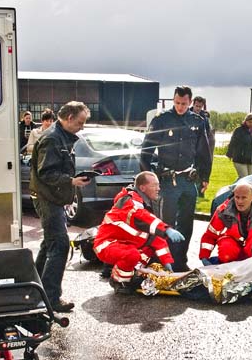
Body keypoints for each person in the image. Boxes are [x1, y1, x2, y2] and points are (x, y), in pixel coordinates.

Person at [140, 85, 212, 272]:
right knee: (167, 224)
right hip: (167, 180)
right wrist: (148, 177)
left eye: (184, 103)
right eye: (178, 103)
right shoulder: (162, 120)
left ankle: (181, 260)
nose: (180, 107)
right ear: (173, 100)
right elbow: (146, 150)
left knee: (187, 224)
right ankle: (166, 260)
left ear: (190, 102)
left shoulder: (197, 121)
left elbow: (204, 150)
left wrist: (205, 177)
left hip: (188, 181)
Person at [29, 101, 92, 312]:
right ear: (70, 118)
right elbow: (46, 173)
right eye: (81, 122)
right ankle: (51, 298)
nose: (82, 127)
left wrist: (71, 180)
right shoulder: (53, 138)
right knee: (60, 245)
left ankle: (33, 288)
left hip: (51, 197)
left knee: (49, 244)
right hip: (48, 199)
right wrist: (71, 181)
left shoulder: (60, 136)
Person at [94, 172, 186, 291]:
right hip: (106, 244)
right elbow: (142, 217)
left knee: (147, 250)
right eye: (154, 185)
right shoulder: (130, 203)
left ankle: (133, 273)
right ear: (143, 188)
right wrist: (166, 229)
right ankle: (119, 281)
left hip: (123, 242)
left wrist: (167, 263)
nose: (158, 188)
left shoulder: (142, 201)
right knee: (132, 255)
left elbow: (154, 238)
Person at [199, 181, 252, 265]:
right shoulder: (223, 210)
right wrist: (204, 257)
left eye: (243, 198)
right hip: (233, 248)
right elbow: (210, 235)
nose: (240, 201)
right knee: (226, 248)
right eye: (237, 197)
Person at [226, 113, 252, 178]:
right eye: (250, 122)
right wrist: (229, 154)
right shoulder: (239, 130)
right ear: (246, 121)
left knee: (251, 179)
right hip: (240, 160)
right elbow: (233, 142)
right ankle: (233, 188)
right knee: (244, 178)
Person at [192, 96, 216, 161]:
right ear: (193, 104)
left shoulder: (205, 117)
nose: (198, 108)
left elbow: (208, 131)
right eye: (196, 106)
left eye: (200, 107)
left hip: (200, 145)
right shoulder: (187, 115)